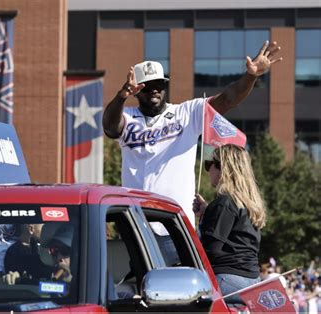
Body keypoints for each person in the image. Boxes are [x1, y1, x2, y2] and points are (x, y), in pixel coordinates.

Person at [102, 41, 282, 226]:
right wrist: (123, 94)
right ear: (136, 91)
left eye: (159, 84)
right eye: (146, 86)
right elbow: (109, 127)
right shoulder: (128, 116)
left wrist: (250, 76)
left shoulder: (187, 112)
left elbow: (227, 99)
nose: (154, 89)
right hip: (135, 222)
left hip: (175, 223)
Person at [192, 144, 267, 303]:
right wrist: (208, 213)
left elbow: (209, 252)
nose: (208, 170)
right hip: (252, 281)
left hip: (227, 280)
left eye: (209, 164)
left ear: (222, 169)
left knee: (172, 298)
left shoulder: (224, 203)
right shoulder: (247, 204)